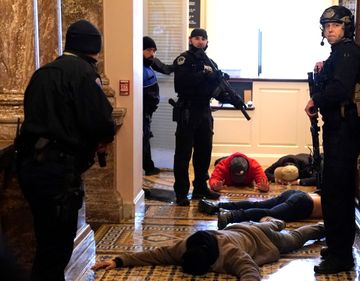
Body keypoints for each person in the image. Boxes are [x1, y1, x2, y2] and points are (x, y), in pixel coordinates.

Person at [14, 19, 116, 281]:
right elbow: (100, 121)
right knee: (57, 247)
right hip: (58, 171)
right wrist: (103, 138)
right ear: (94, 48)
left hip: (31, 167)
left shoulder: (43, 72)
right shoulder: (83, 73)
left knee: (45, 240)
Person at [304, 6, 360, 274]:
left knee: (337, 193)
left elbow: (340, 89)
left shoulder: (346, 52)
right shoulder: (340, 54)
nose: (330, 30)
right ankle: (337, 245)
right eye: (326, 26)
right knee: (334, 191)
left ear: (346, 27)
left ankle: (341, 256)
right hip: (339, 128)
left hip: (343, 130)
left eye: (335, 25)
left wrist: (315, 99)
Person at [91, 217, 325, 280]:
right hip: (242, 227)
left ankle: (323, 227)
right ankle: (271, 221)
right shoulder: (186, 246)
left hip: (264, 240)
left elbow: (250, 272)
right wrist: (118, 261)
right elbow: (155, 255)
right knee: (268, 223)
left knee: (295, 239)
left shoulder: (231, 254)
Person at [172, 28, 221, 206]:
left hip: (204, 111)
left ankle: (200, 188)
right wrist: (205, 75)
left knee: (204, 151)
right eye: (197, 38)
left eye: (203, 39)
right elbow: (182, 83)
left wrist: (220, 83)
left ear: (207, 42)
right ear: (190, 40)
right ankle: (181, 193)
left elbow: (216, 90)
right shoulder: (183, 59)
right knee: (183, 154)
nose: (200, 42)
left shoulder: (211, 62)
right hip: (187, 110)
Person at [198, 189, 322, 230]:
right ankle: (231, 216)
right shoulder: (339, 204)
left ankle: (216, 206)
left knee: (258, 204)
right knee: (270, 214)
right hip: (304, 203)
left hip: (298, 194)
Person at [142, 36, 174, 176]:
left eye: (154, 50)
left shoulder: (150, 61)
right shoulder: (135, 65)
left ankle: (148, 166)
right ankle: (147, 167)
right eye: (149, 50)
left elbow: (166, 69)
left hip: (148, 112)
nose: (152, 53)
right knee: (143, 139)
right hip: (141, 112)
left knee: (146, 138)